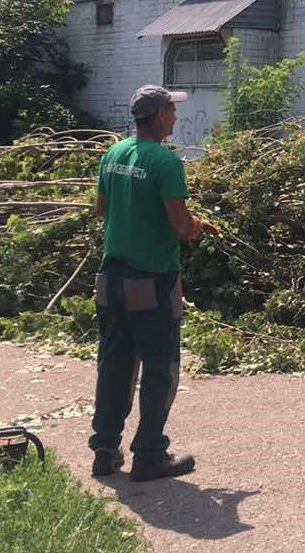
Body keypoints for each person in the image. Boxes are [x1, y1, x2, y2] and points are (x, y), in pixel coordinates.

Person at [89, 84, 218, 481]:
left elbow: (100, 209)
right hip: (151, 282)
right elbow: (180, 224)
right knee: (160, 367)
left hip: (110, 279)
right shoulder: (165, 163)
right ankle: (149, 454)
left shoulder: (113, 154)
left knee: (115, 364)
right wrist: (198, 225)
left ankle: (105, 450)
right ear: (160, 115)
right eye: (172, 111)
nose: (176, 117)